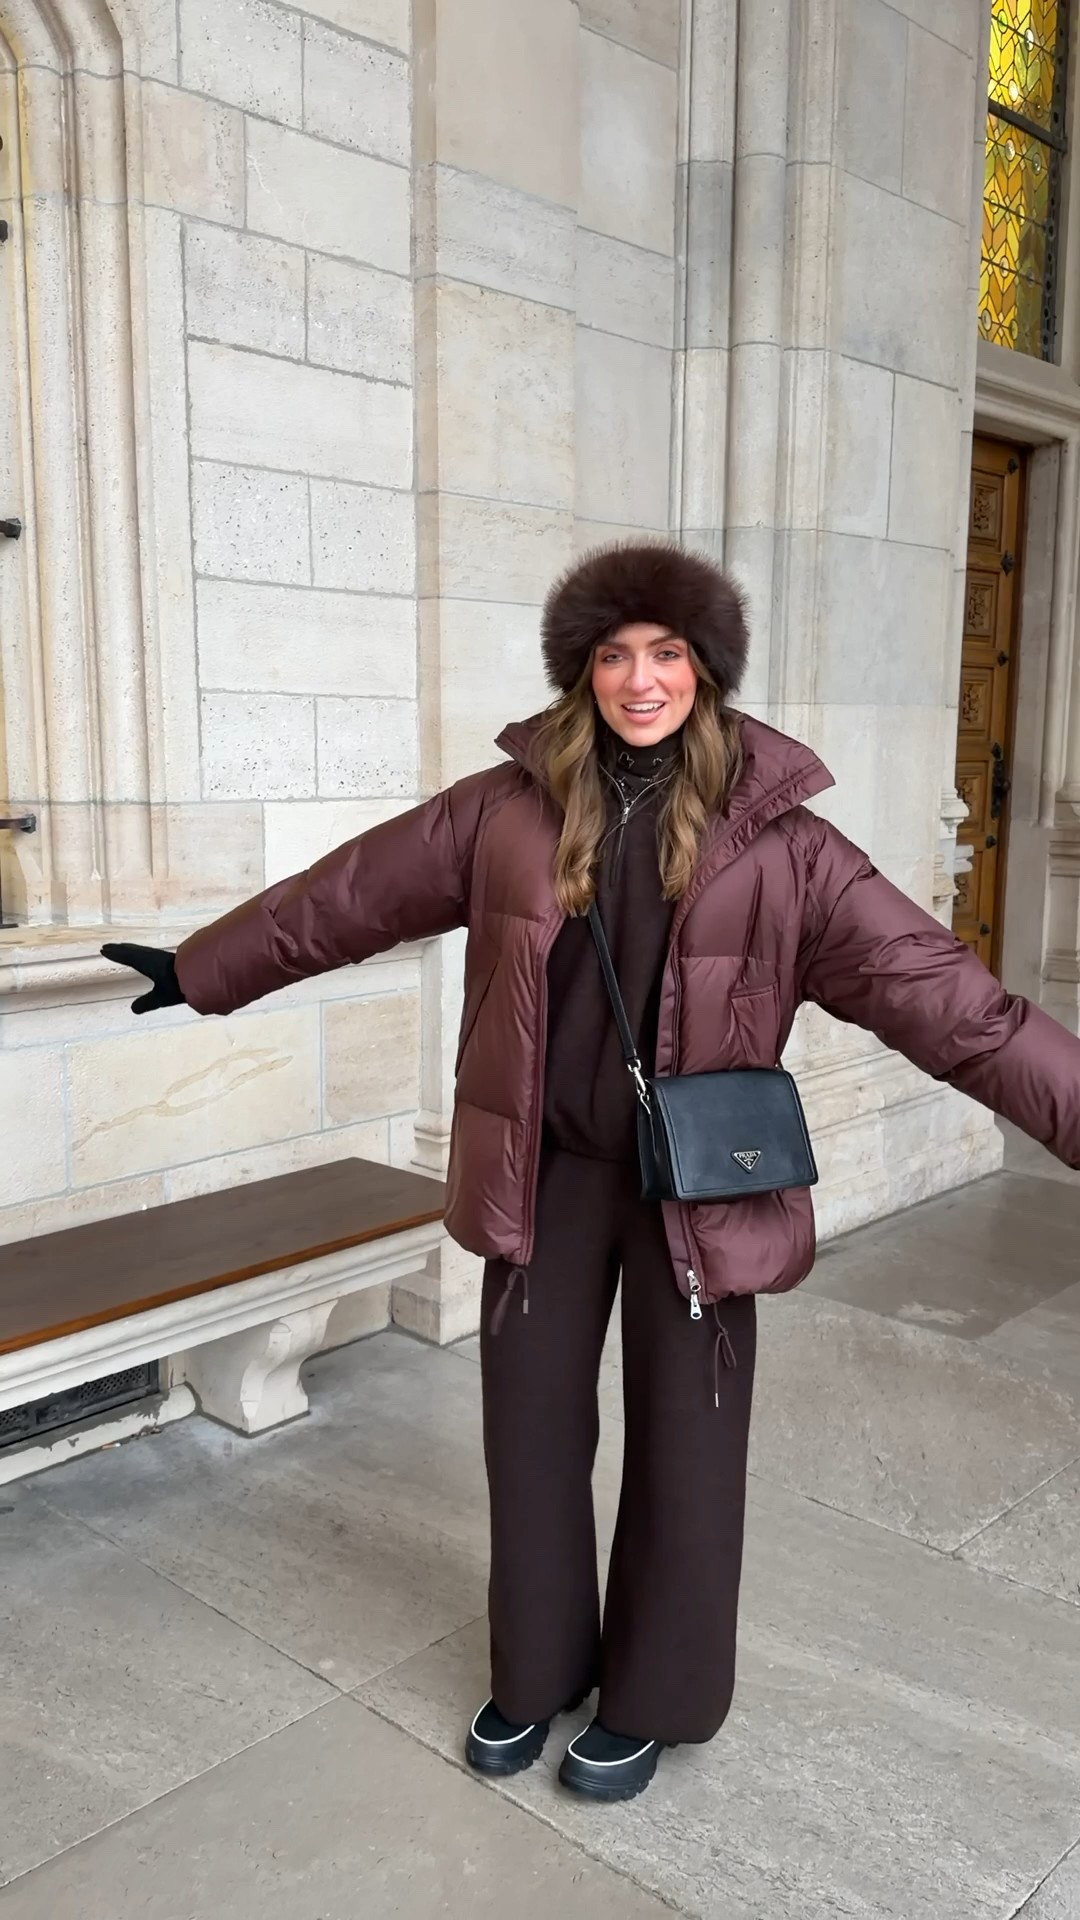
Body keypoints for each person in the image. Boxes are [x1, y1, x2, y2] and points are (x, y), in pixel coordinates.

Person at [103, 543, 1080, 1804]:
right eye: (614, 655)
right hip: (546, 1176)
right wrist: (203, 968)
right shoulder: (505, 809)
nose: (640, 678)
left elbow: (961, 1008)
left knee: (690, 1447)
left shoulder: (788, 845)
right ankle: (537, 1670)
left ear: (707, 672)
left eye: (667, 653)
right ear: (581, 672)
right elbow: (346, 896)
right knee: (532, 1433)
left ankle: (656, 1696)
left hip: (703, 1188)